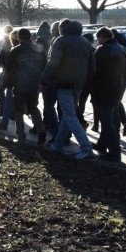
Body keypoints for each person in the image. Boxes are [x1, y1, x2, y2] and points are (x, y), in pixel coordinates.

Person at [40, 19, 95, 159]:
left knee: (70, 116)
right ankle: (57, 143)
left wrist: (43, 80)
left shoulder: (60, 41)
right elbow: (92, 65)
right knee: (67, 114)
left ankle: (86, 147)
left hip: (64, 83)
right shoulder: (85, 42)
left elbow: (53, 63)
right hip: (79, 84)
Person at [1, 27, 46, 143]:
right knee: (33, 108)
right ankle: (41, 131)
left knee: (18, 110)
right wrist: (42, 83)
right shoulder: (38, 49)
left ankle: (21, 136)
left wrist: (5, 84)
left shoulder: (15, 50)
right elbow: (44, 67)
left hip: (20, 84)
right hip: (34, 84)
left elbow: (8, 70)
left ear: (19, 38)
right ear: (30, 37)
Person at [91, 27, 126, 162]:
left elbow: (95, 70)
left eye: (98, 38)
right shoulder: (121, 48)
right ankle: (102, 144)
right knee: (111, 119)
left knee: (107, 122)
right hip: (117, 88)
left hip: (104, 89)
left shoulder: (102, 50)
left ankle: (114, 153)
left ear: (102, 37)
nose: (97, 41)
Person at [0, 25, 15, 129]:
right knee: (5, 92)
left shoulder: (10, 43)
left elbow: (2, 55)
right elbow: (1, 55)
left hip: (8, 71)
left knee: (5, 91)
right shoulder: (7, 41)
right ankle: (7, 111)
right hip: (8, 71)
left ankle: (7, 112)